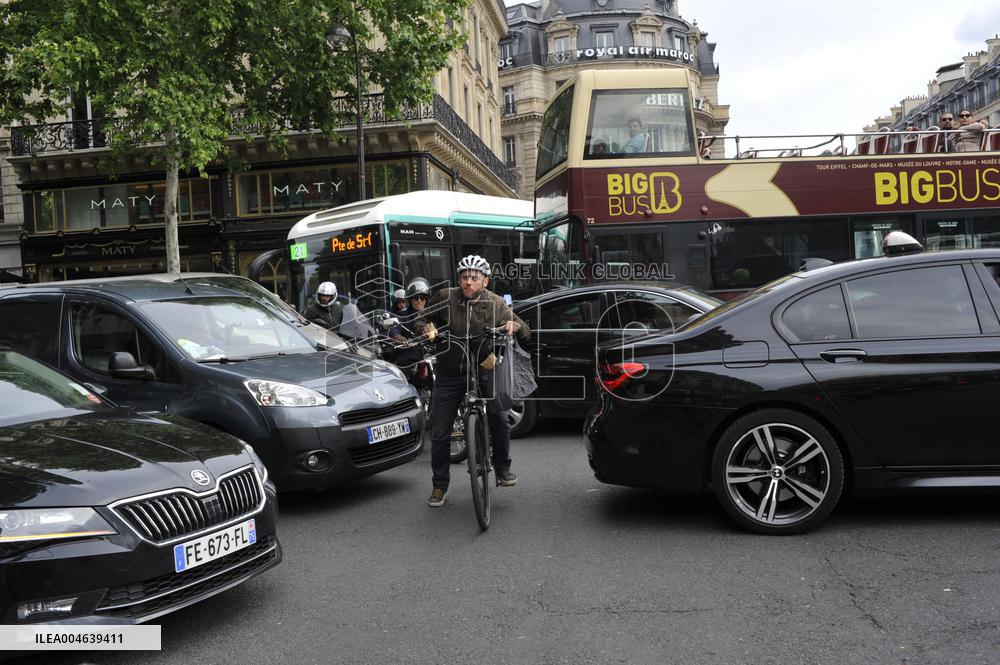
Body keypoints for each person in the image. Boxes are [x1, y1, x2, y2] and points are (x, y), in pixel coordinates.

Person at [415, 255, 530, 507]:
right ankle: (439, 485)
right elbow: (421, 319)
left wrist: (513, 325)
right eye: (464, 277)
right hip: (449, 371)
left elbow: (524, 328)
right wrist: (426, 327)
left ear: (485, 281)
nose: (468, 282)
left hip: (483, 368)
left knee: (499, 417)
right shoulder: (446, 297)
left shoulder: (497, 303)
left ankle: (502, 468)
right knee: (440, 429)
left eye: (474, 278)